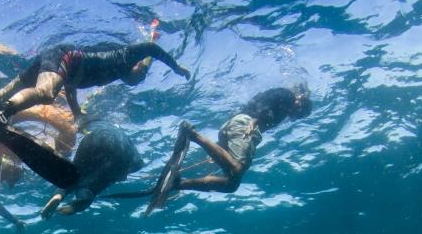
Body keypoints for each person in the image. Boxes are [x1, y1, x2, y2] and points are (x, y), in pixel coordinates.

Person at [0, 41, 190, 176]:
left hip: (58, 61)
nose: (137, 80)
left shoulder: (113, 73)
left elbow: (70, 87)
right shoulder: (124, 56)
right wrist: (175, 66)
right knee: (46, 94)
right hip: (62, 57)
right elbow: (150, 49)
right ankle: (3, 112)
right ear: (135, 67)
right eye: (139, 74)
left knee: (3, 91)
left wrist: (77, 113)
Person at [120, 86, 312, 215]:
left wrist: (222, 148)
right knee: (236, 171)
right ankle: (192, 135)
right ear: (301, 101)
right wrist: (257, 119)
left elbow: (255, 105)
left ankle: (178, 183)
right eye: (300, 113)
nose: (295, 116)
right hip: (245, 125)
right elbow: (264, 101)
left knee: (231, 184)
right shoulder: (287, 96)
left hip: (236, 125)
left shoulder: (285, 107)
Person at [0, 109, 144, 217]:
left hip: (92, 140)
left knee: (74, 173)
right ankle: (80, 202)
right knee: (94, 184)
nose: (123, 180)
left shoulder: (94, 124)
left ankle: (59, 194)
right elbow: (135, 164)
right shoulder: (130, 151)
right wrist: (122, 171)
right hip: (118, 150)